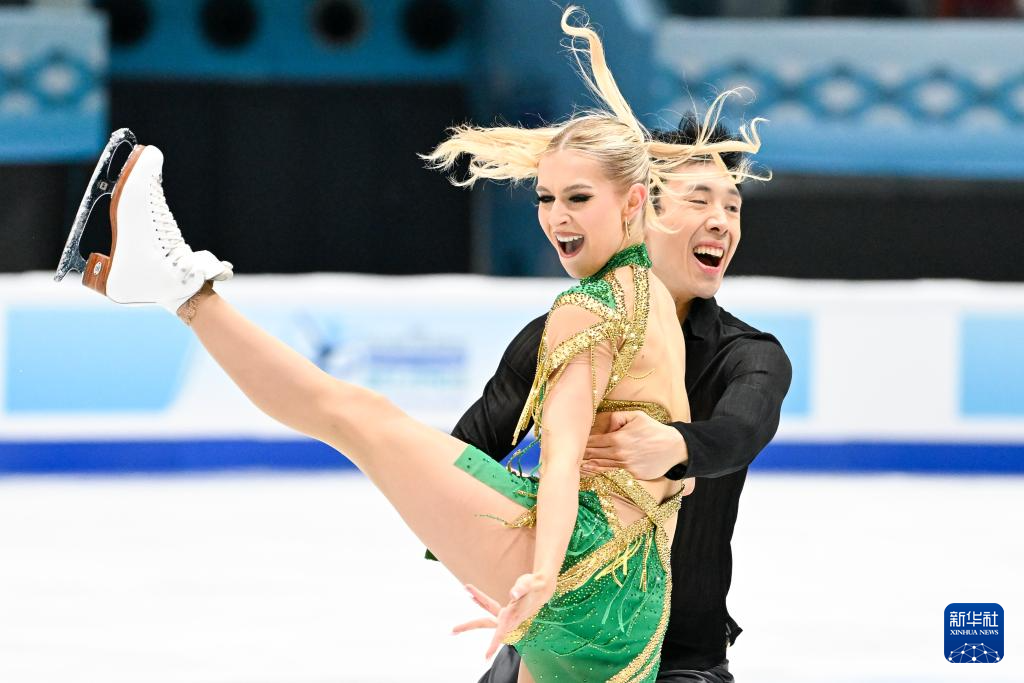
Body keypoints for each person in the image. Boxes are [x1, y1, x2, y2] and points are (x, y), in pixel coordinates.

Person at [56, 8, 764, 682]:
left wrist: (544, 574)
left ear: (634, 202)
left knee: (354, 416)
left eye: (577, 198)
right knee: (364, 419)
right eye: (546, 199)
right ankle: (165, 282)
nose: (555, 218)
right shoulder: (651, 295)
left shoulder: (592, 307)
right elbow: (663, 476)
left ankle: (180, 287)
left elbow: (563, 457)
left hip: (587, 570)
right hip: (635, 598)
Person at [458, 118, 793, 683]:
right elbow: (464, 456)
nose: (721, 220)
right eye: (699, 200)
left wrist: (675, 446)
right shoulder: (568, 334)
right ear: (641, 207)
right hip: (555, 639)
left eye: (732, 207)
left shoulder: (746, 354)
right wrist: (515, 567)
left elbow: (741, 432)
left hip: (681, 662)